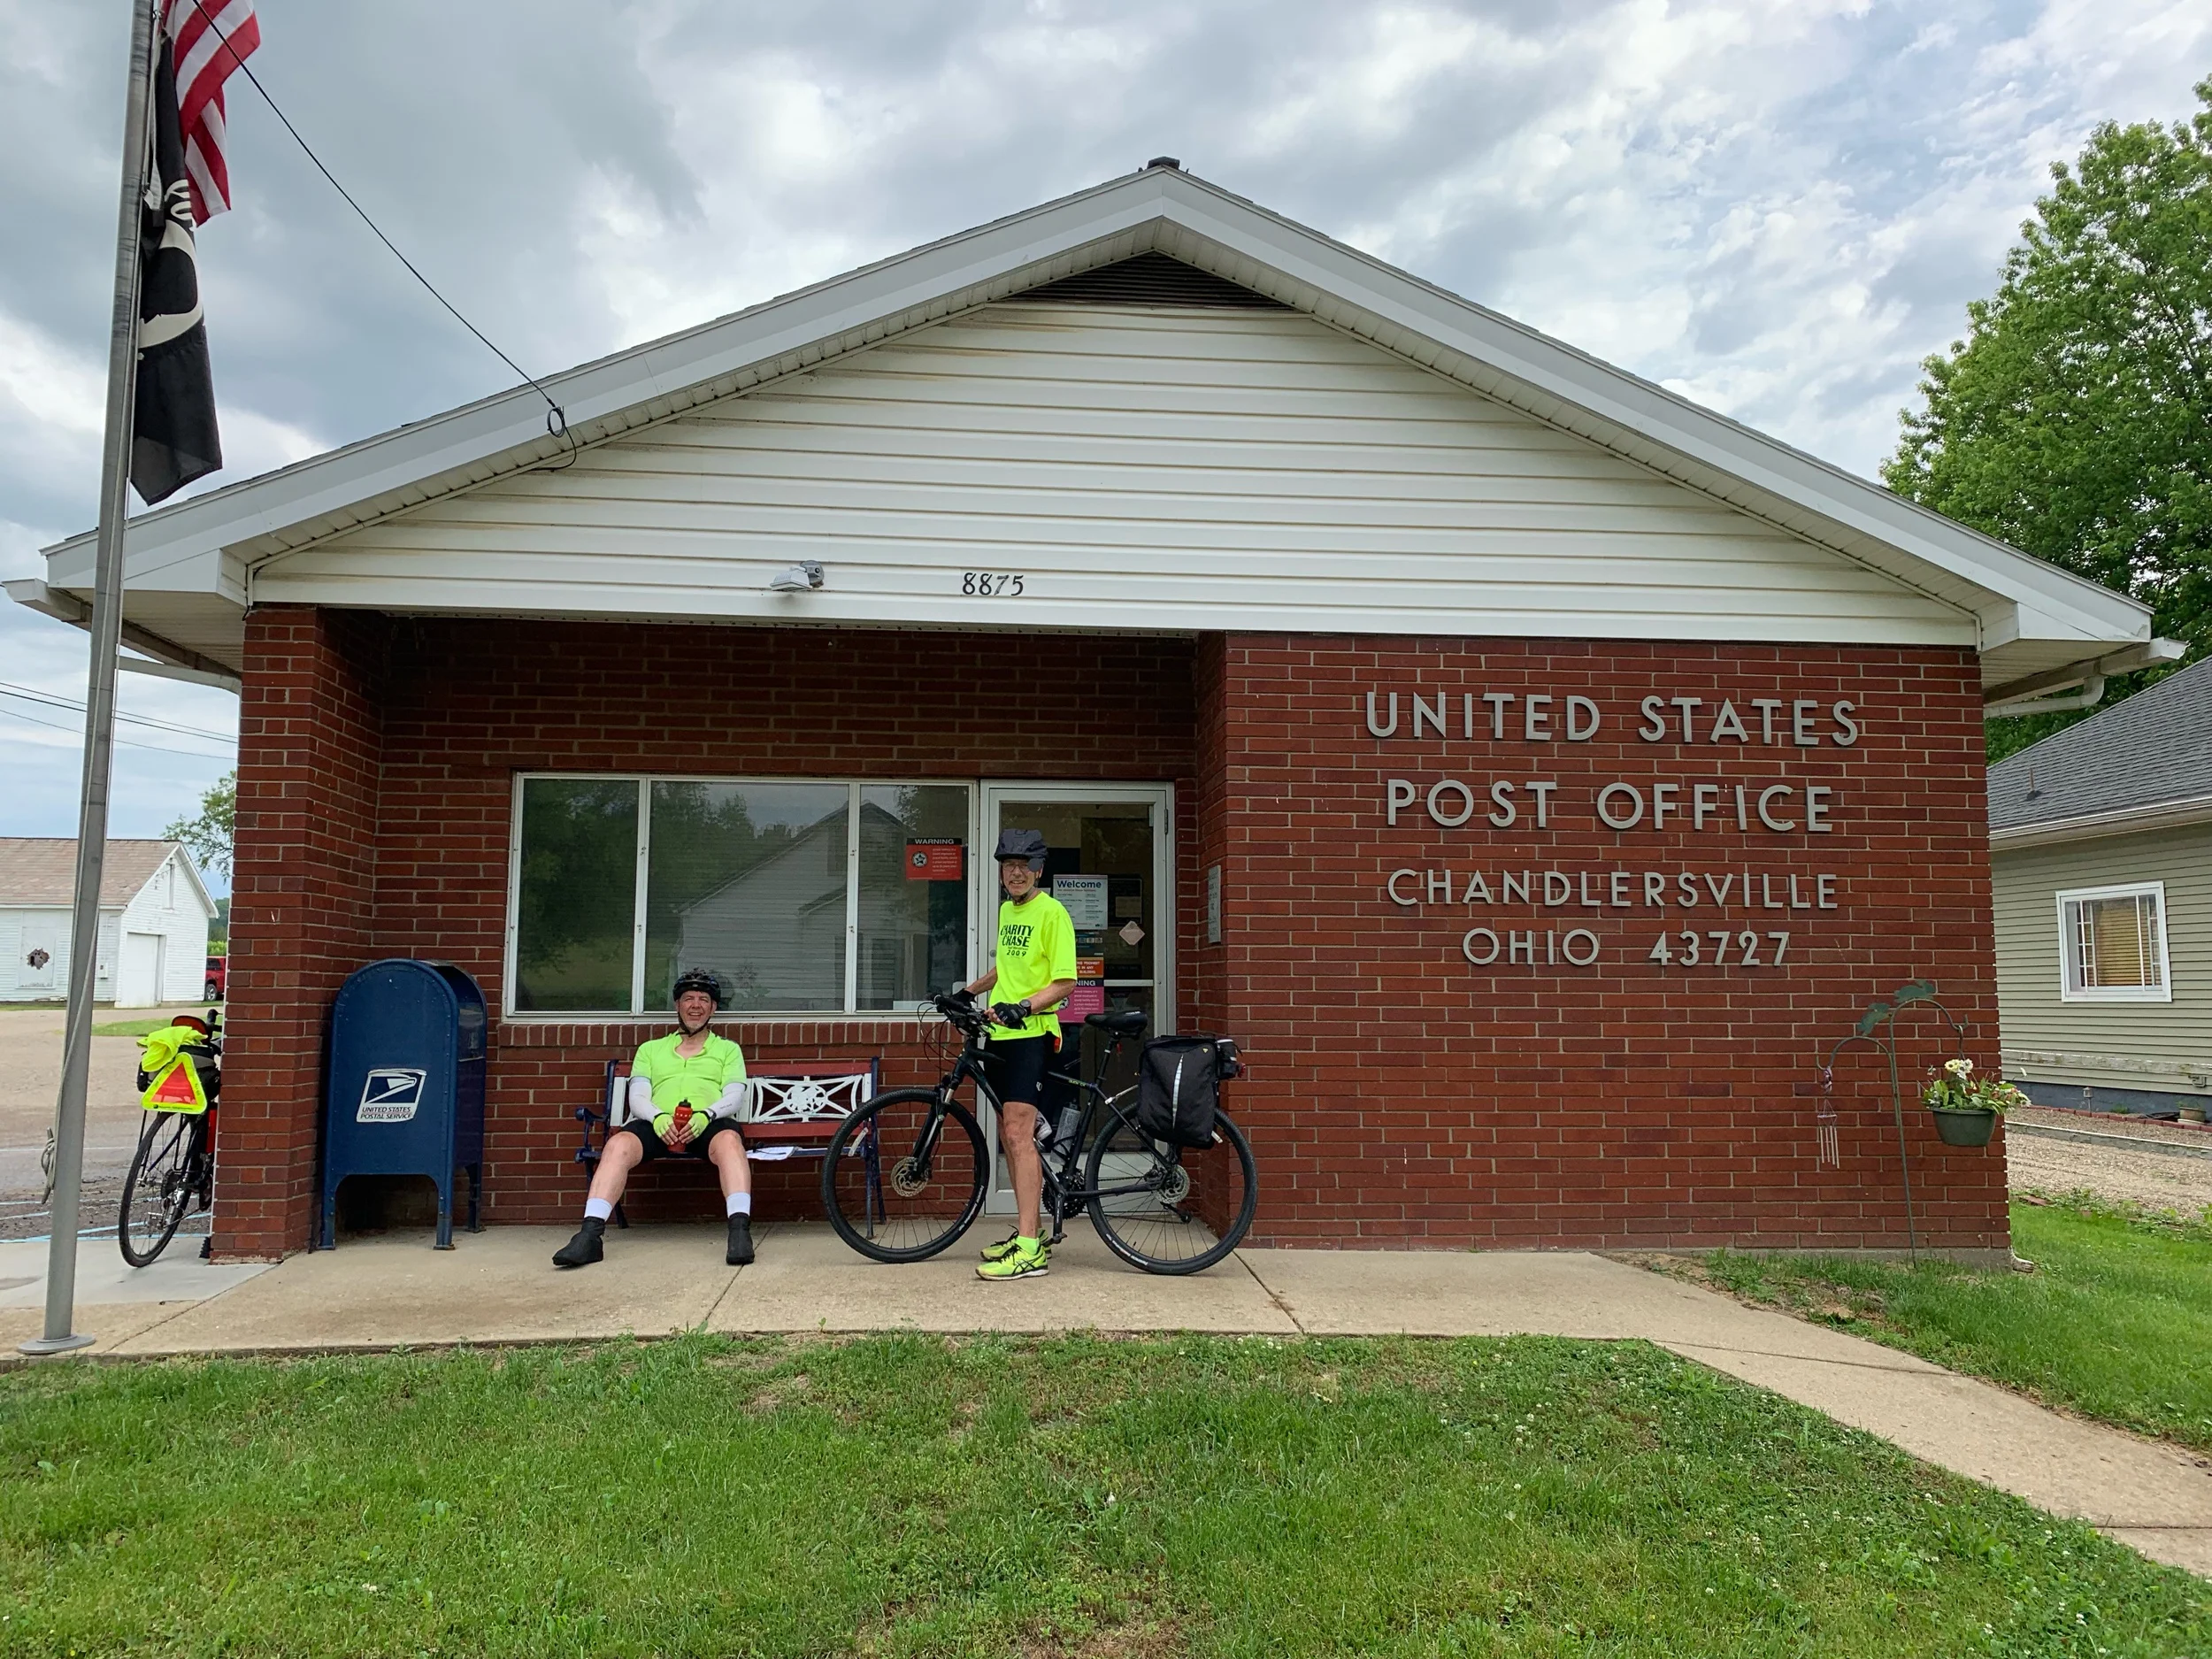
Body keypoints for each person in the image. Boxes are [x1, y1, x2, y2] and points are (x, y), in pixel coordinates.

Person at [553, 969, 754, 1270]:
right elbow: (638, 1097)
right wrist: (658, 1117)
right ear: (677, 1005)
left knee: (729, 1141)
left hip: (707, 1123)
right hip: (657, 1123)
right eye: (688, 998)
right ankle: (589, 1236)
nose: (696, 1005)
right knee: (618, 1144)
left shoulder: (727, 1050)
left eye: (703, 999)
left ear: (713, 1008)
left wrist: (707, 1114)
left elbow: (735, 1094)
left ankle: (739, 1232)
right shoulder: (651, 1050)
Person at [963, 828, 1078, 1281]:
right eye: (1007, 865)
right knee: (1010, 1134)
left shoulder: (1053, 913)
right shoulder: (1009, 912)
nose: (1015, 872)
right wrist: (967, 992)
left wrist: (1023, 1006)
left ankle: (1031, 1248)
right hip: (1002, 1032)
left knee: (1018, 1132)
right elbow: (1006, 968)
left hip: (1032, 1032)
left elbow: (1065, 981)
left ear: (1039, 870)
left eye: (1023, 865)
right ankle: (1026, 1232)